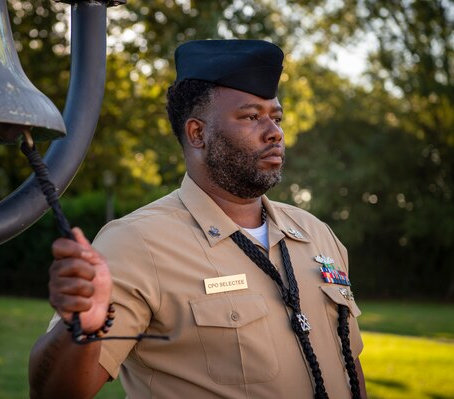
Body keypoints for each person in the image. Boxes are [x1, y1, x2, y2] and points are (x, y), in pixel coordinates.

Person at [28, 39, 367, 399]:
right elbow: (55, 393)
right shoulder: (138, 242)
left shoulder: (316, 234)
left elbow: (350, 367)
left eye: (276, 117)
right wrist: (83, 326)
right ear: (198, 133)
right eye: (252, 116)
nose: (275, 132)